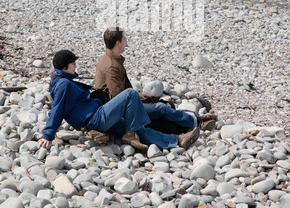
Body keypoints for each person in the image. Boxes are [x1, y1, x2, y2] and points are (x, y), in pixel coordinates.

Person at [38, 50, 200, 152]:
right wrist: (48, 135)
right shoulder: (64, 85)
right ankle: (182, 133)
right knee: (130, 95)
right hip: (96, 119)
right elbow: (58, 109)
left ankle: (180, 136)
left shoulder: (60, 80)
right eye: (73, 64)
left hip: (97, 116)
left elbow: (59, 107)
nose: (75, 66)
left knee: (141, 126)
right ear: (65, 67)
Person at [94, 28, 215, 136]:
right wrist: (135, 98)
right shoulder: (111, 66)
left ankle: (188, 124)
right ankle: (196, 121)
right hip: (119, 111)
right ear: (117, 43)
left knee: (161, 104)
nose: (126, 42)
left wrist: (137, 95)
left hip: (117, 105)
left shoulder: (108, 58)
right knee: (161, 108)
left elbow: (119, 91)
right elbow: (118, 98)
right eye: (124, 39)